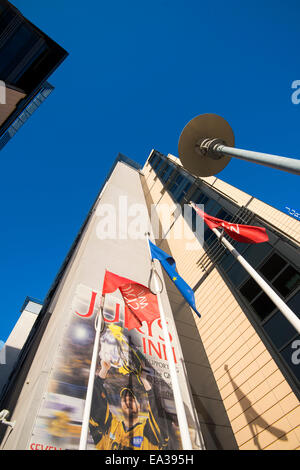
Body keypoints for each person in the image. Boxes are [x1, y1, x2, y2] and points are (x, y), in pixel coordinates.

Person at [89, 360, 170, 450]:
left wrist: (144, 379)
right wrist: (104, 370)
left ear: (139, 406)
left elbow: (159, 419)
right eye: (124, 400)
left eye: (131, 399)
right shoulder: (111, 425)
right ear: (121, 406)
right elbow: (94, 405)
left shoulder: (147, 432)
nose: (127, 402)